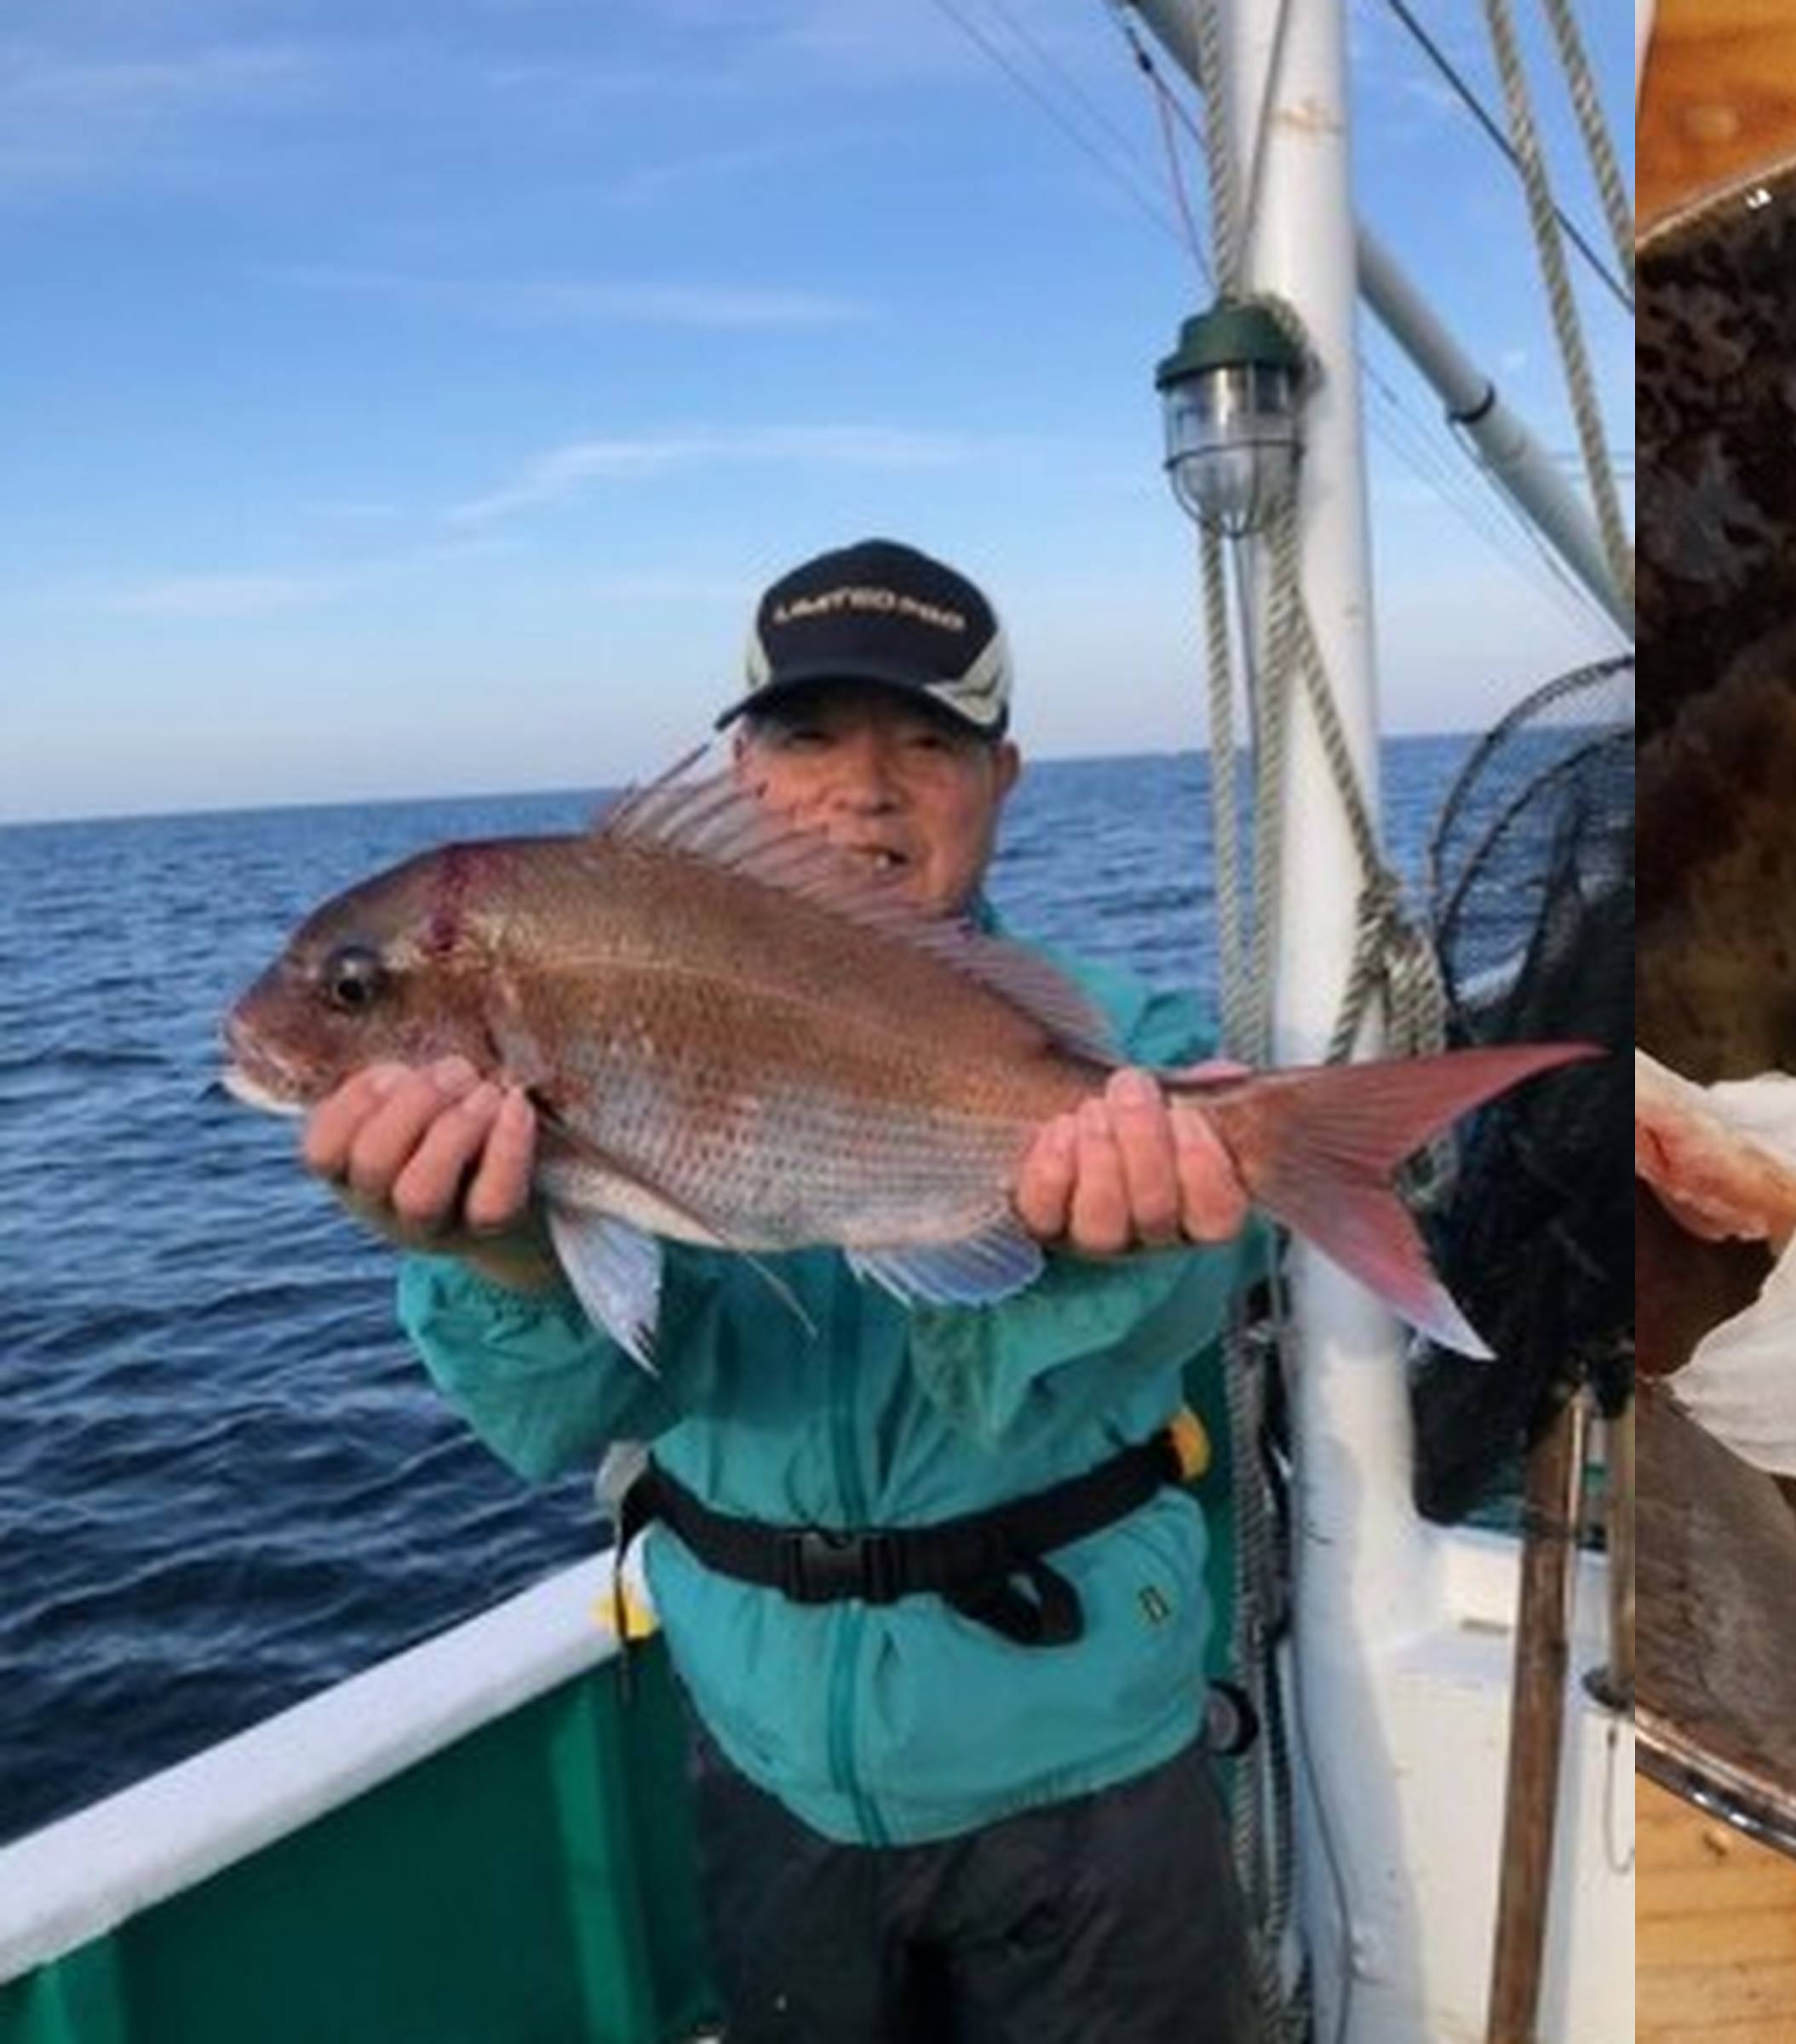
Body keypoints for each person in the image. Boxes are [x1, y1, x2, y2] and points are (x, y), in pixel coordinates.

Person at [293, 537, 1263, 2042]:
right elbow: (560, 1424)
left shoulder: (1133, 1047)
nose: (861, 789)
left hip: (1091, 1768)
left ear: (1003, 777)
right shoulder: (602, 973)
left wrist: (1094, 1252)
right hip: (764, 1763)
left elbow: (1178, 1318)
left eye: (927, 741)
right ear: (740, 771)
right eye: (808, 735)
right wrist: (501, 1258)